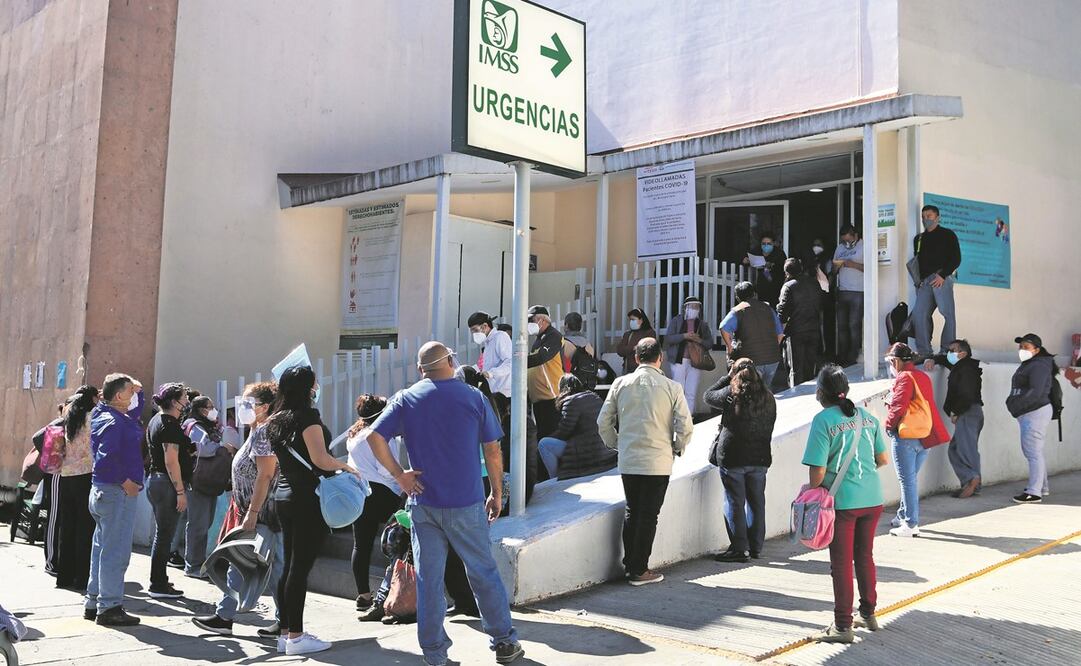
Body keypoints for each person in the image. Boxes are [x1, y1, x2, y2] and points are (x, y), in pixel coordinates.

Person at [366, 342, 525, 666]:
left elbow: (374, 437)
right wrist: (496, 493)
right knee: (483, 573)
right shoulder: (473, 397)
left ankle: (435, 654)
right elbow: (493, 450)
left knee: (429, 579)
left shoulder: (406, 399)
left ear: (420, 369)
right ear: (451, 361)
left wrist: (399, 476)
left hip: (423, 503)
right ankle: (504, 642)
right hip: (467, 503)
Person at [266, 365, 361, 656]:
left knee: (289, 566)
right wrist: (346, 467)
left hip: (284, 496)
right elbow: (321, 459)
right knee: (300, 568)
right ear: (307, 388)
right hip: (308, 499)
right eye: (314, 383)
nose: (317, 387)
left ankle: (285, 633)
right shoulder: (307, 417)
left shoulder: (275, 419)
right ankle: (296, 637)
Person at [802, 366, 889, 644]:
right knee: (864, 557)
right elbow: (883, 459)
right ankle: (868, 614)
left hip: (842, 504)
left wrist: (814, 489)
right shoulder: (867, 417)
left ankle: (842, 626)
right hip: (873, 498)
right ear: (845, 390)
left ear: (820, 392)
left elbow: (817, 474)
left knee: (841, 564)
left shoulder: (823, 420)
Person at [193, 381, 285, 642]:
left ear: (265, 407)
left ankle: (285, 621)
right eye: (242, 402)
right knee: (240, 562)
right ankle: (225, 616)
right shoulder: (256, 430)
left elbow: (265, 475)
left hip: (262, 513)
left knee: (271, 567)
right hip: (249, 510)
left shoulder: (265, 432)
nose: (242, 407)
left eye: (249, 403)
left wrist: (253, 512)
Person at [598, 338, 694, 586]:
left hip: (629, 458)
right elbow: (685, 426)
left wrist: (617, 443)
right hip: (658, 460)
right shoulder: (672, 387)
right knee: (649, 515)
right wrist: (677, 447)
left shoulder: (620, 384)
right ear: (660, 358)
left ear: (636, 358)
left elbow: (603, 422)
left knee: (632, 510)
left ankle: (631, 564)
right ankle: (639, 569)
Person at [702, 358, 777, 563]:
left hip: (733, 456)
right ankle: (755, 547)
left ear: (734, 374)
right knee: (757, 502)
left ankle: (739, 549)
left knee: (734, 501)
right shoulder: (768, 397)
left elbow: (708, 396)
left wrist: (727, 377)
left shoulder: (731, 393)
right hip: (760, 456)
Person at [85, 374, 145, 627]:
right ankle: (109, 607)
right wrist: (126, 481)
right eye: (130, 391)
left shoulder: (104, 414)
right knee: (116, 551)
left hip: (103, 491)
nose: (134, 395)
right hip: (115, 492)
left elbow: (135, 411)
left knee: (102, 548)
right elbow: (106, 458)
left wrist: (138, 391)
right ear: (119, 396)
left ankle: (94, 601)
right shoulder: (115, 421)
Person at [345, 394, 406, 614]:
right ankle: (395, 589)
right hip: (383, 493)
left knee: (360, 545)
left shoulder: (354, 435)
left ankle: (363, 595)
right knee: (402, 540)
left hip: (360, 492)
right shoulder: (382, 435)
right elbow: (387, 470)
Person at [883, 343, 949, 537]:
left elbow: (898, 406)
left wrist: (888, 426)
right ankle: (902, 515)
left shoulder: (904, 377)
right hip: (924, 436)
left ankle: (911, 524)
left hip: (906, 436)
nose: (891, 366)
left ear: (896, 361)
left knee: (907, 481)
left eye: (891, 362)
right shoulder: (921, 376)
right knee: (910, 479)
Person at [145, 382, 192, 600]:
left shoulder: (157, 419)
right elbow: (171, 460)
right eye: (184, 398)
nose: (187, 402)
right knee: (165, 535)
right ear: (174, 402)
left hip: (157, 481)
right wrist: (180, 491)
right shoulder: (169, 425)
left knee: (162, 534)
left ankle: (159, 580)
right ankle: (158, 583)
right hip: (166, 484)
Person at [180, 395, 233, 578]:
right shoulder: (194, 426)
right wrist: (222, 448)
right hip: (198, 481)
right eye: (210, 407)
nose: (213, 411)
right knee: (198, 525)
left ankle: (197, 562)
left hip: (208, 481)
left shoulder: (207, 426)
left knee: (205, 523)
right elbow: (202, 448)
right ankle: (193, 565)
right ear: (202, 410)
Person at [925, 339, 985, 498]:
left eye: (953, 350)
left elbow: (966, 393)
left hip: (967, 412)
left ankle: (971, 479)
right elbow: (944, 359)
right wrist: (934, 359)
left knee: (964, 450)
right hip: (971, 412)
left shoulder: (965, 369)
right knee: (960, 449)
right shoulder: (962, 366)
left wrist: (956, 412)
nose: (949, 353)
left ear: (963, 354)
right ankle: (972, 482)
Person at [55, 385, 100, 592]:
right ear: (92, 398)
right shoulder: (93, 418)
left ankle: (64, 576)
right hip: (86, 475)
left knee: (67, 526)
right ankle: (82, 577)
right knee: (85, 528)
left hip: (67, 475)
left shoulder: (68, 417)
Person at [1006, 333, 1059, 504]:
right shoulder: (1031, 364)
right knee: (1035, 451)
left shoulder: (1038, 366)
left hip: (1034, 412)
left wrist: (1016, 406)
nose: (1022, 349)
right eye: (1020, 346)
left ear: (1036, 350)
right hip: (1030, 412)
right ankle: (1042, 487)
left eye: (1026, 347)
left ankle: (1034, 492)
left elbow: (1036, 392)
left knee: (1032, 453)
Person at [538, 375, 617, 481]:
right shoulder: (594, 397)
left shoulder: (570, 401)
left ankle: (554, 480)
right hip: (605, 452)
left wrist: (550, 436)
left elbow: (564, 431)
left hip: (587, 453)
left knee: (544, 444)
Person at [911, 205, 962, 358]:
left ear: (938, 217)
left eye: (929, 216)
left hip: (941, 279)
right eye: (923, 216)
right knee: (919, 314)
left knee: (947, 314)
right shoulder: (919, 239)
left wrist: (943, 275)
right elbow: (917, 260)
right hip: (925, 282)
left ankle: (946, 350)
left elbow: (956, 258)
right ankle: (924, 352)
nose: (926, 219)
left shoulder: (948, 235)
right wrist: (918, 280)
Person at [719, 282, 784, 388]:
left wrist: (730, 348)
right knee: (766, 390)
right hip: (773, 359)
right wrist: (771, 347)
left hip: (751, 361)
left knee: (752, 391)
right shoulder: (768, 308)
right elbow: (780, 334)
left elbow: (723, 327)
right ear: (754, 294)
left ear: (737, 297)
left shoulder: (738, 310)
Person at [663, 296, 714, 415]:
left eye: (696, 307)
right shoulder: (676, 321)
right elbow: (669, 339)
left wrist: (699, 340)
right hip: (678, 361)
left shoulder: (702, 325)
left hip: (696, 362)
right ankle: (677, 416)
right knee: (678, 390)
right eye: (692, 306)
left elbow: (709, 343)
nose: (694, 309)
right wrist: (684, 336)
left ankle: (689, 418)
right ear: (685, 308)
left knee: (691, 391)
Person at [777, 258, 824, 385]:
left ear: (787, 272)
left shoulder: (788, 286)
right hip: (813, 328)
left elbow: (782, 313)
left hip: (796, 331)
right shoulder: (814, 283)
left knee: (795, 368)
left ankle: (797, 394)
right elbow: (821, 304)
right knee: (810, 366)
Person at [526, 305, 565, 438]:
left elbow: (541, 357)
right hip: (539, 398)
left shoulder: (554, 335)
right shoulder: (538, 339)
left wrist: (519, 362)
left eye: (531, 320)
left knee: (551, 435)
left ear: (542, 320)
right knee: (542, 436)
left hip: (551, 397)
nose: (528, 324)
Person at [831, 225, 865, 367]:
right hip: (842, 291)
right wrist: (836, 266)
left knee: (854, 325)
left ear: (855, 235)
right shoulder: (840, 248)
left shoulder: (864, 246)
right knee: (842, 326)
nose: (846, 243)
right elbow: (833, 270)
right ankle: (842, 355)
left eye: (849, 240)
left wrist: (852, 265)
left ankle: (853, 356)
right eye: (844, 240)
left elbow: (870, 268)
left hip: (858, 291)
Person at [468, 311, 512, 397]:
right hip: (493, 391)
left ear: (485, 326)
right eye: (472, 331)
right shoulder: (487, 343)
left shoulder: (500, 337)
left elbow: (510, 363)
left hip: (504, 393)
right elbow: (487, 366)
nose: (474, 334)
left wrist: (491, 373)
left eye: (475, 330)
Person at [744, 232, 787, 306]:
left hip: (776, 287)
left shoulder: (779, 253)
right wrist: (745, 261)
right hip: (761, 287)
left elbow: (782, 267)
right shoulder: (757, 250)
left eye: (769, 243)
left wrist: (771, 265)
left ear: (773, 243)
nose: (766, 245)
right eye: (763, 243)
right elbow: (746, 258)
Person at [562, 312, 598, 388]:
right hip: (586, 386)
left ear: (566, 325)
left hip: (568, 386)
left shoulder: (562, 343)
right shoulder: (589, 345)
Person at [616, 308, 657, 375]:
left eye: (633, 319)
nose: (631, 322)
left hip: (644, 371)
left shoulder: (649, 333)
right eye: (630, 320)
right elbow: (620, 351)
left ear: (641, 320)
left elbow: (649, 350)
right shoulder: (628, 334)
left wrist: (637, 348)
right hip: (628, 370)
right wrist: (633, 348)